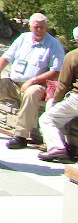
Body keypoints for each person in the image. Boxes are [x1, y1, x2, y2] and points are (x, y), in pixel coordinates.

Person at [0, 13, 65, 149]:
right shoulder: (23, 38)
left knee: (31, 94)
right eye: (36, 27)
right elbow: (5, 58)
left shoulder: (54, 45)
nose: (39, 30)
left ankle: (21, 136)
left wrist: (33, 80)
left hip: (37, 84)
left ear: (46, 27)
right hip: (14, 82)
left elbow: (56, 71)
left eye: (42, 27)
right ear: (30, 27)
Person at [37, 25, 78, 164]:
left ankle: (57, 147)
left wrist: (54, 99)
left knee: (47, 118)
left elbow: (63, 84)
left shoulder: (73, 56)